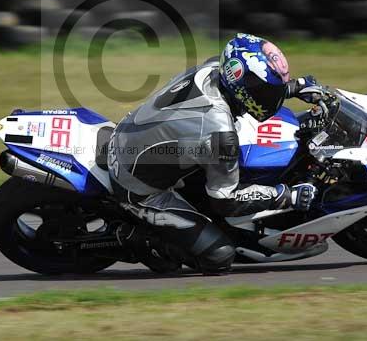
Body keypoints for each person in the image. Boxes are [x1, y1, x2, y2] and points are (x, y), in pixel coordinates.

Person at [107, 32, 327, 274]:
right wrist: (286, 196)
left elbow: (250, 88)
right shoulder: (219, 131)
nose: (271, 96)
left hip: (143, 141)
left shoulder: (215, 67)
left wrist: (291, 87)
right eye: (267, 92)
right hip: (137, 187)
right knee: (219, 255)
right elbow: (225, 200)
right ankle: (133, 237)